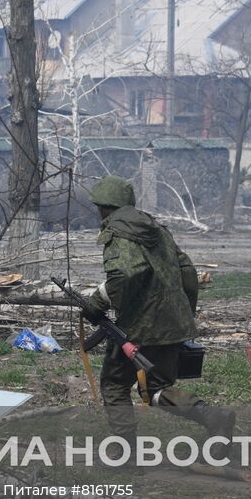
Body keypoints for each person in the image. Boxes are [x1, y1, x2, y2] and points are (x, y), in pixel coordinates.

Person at [85, 175, 234, 464]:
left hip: (139, 328)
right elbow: (187, 271)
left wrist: (98, 301)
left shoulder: (119, 232)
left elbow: (126, 273)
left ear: (104, 207)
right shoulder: (157, 230)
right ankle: (212, 417)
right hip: (171, 324)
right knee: (156, 388)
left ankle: (124, 454)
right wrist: (183, 314)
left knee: (115, 385)